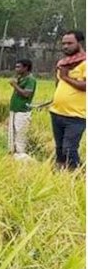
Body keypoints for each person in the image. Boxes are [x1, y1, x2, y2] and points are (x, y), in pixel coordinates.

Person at [49, 30, 85, 170]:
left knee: (69, 149)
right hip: (57, 113)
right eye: (63, 43)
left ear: (80, 43)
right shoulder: (63, 63)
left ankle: (78, 175)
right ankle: (61, 177)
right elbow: (58, 84)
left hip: (75, 116)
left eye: (69, 43)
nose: (65, 46)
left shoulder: (84, 63)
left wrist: (66, 77)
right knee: (60, 149)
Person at [7, 59, 37, 159]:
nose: (16, 69)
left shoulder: (30, 80)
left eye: (18, 67)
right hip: (15, 109)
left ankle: (21, 155)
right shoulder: (20, 78)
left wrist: (14, 85)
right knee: (13, 133)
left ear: (26, 68)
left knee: (21, 133)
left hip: (22, 111)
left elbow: (26, 94)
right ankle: (14, 154)